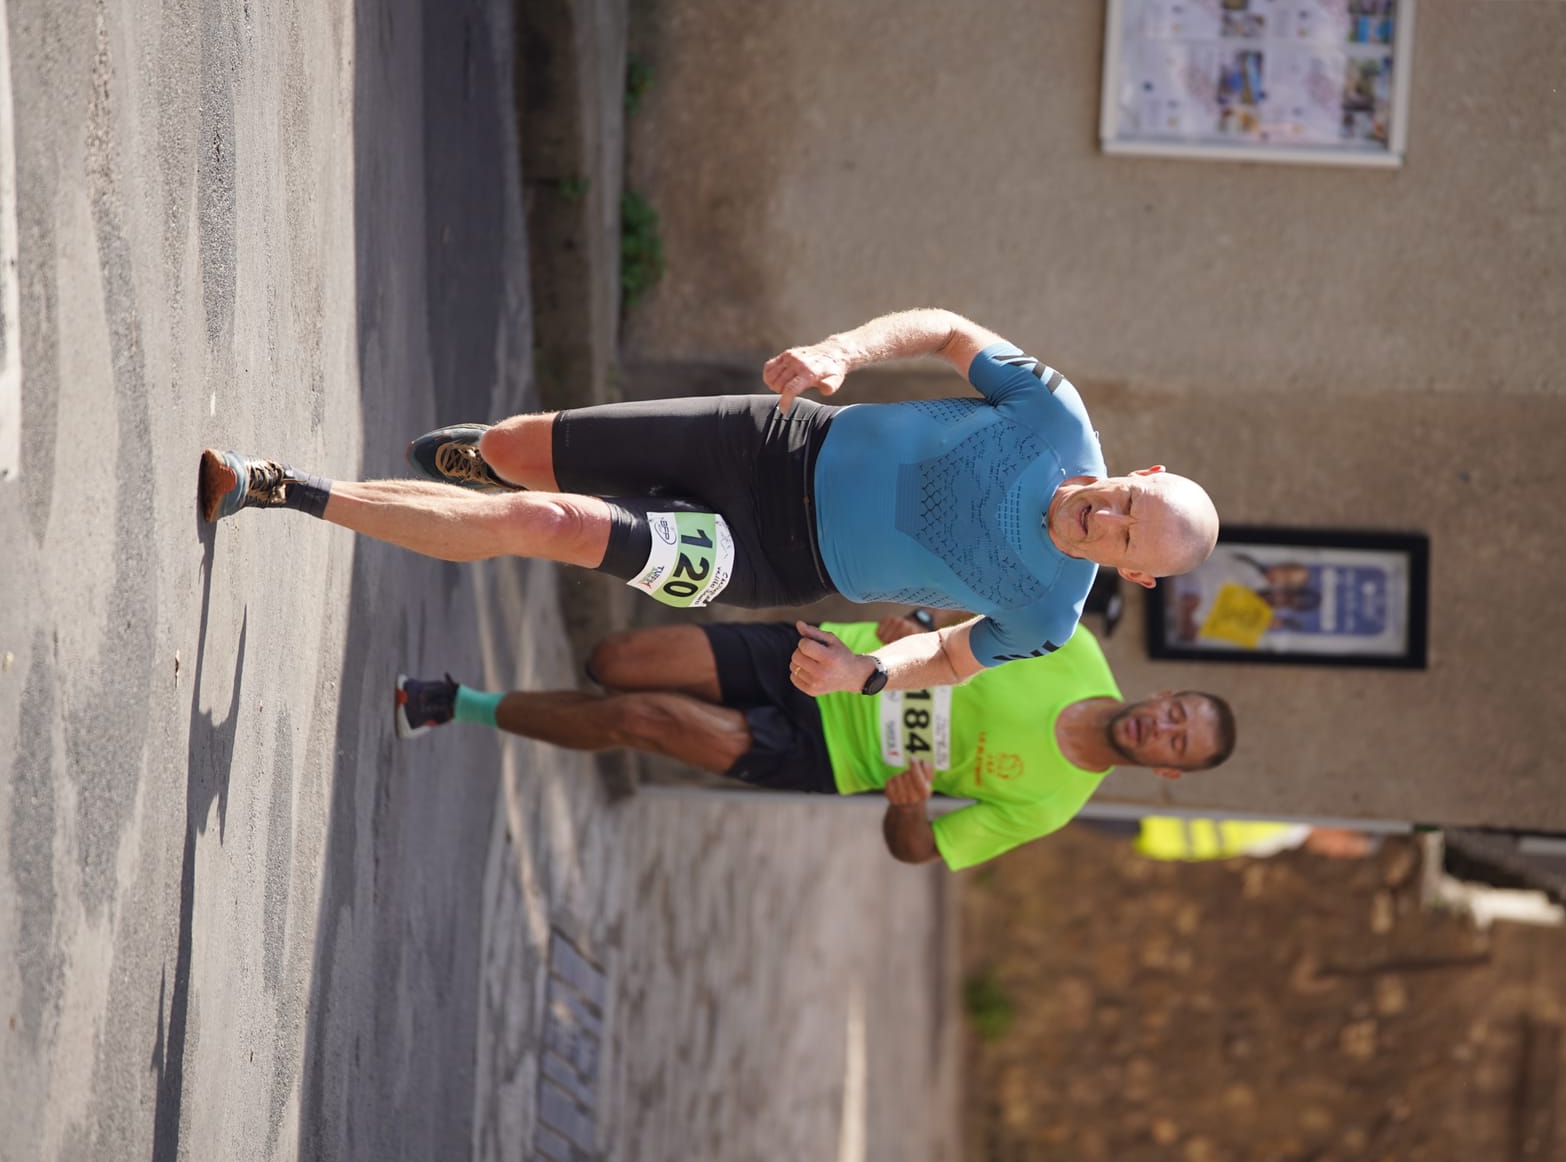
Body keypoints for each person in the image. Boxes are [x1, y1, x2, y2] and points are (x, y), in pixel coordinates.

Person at [200, 308, 1218, 698]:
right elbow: (949, 332)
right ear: (1148, 469)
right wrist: (840, 353)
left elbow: (950, 655)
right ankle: (494, 462)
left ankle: (284, 488)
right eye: (1130, 499)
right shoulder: (1053, 411)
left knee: (548, 525)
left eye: (1128, 539)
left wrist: (868, 671)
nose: (1108, 518)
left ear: (1131, 570)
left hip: (766, 561)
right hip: (769, 436)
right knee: (520, 454)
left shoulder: (1045, 613)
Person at [394, 610, 1238, 870]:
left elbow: (920, 850)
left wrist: (908, 811)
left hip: (831, 756)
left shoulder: (1054, 802)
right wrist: (911, 621)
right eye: (1176, 713)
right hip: (825, 656)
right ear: (1163, 694)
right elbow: (950, 613)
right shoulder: (1072, 647)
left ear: (1167, 772)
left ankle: (457, 703)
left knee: (638, 719)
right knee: (615, 661)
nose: (1162, 729)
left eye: (1177, 744)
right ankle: (521, 702)